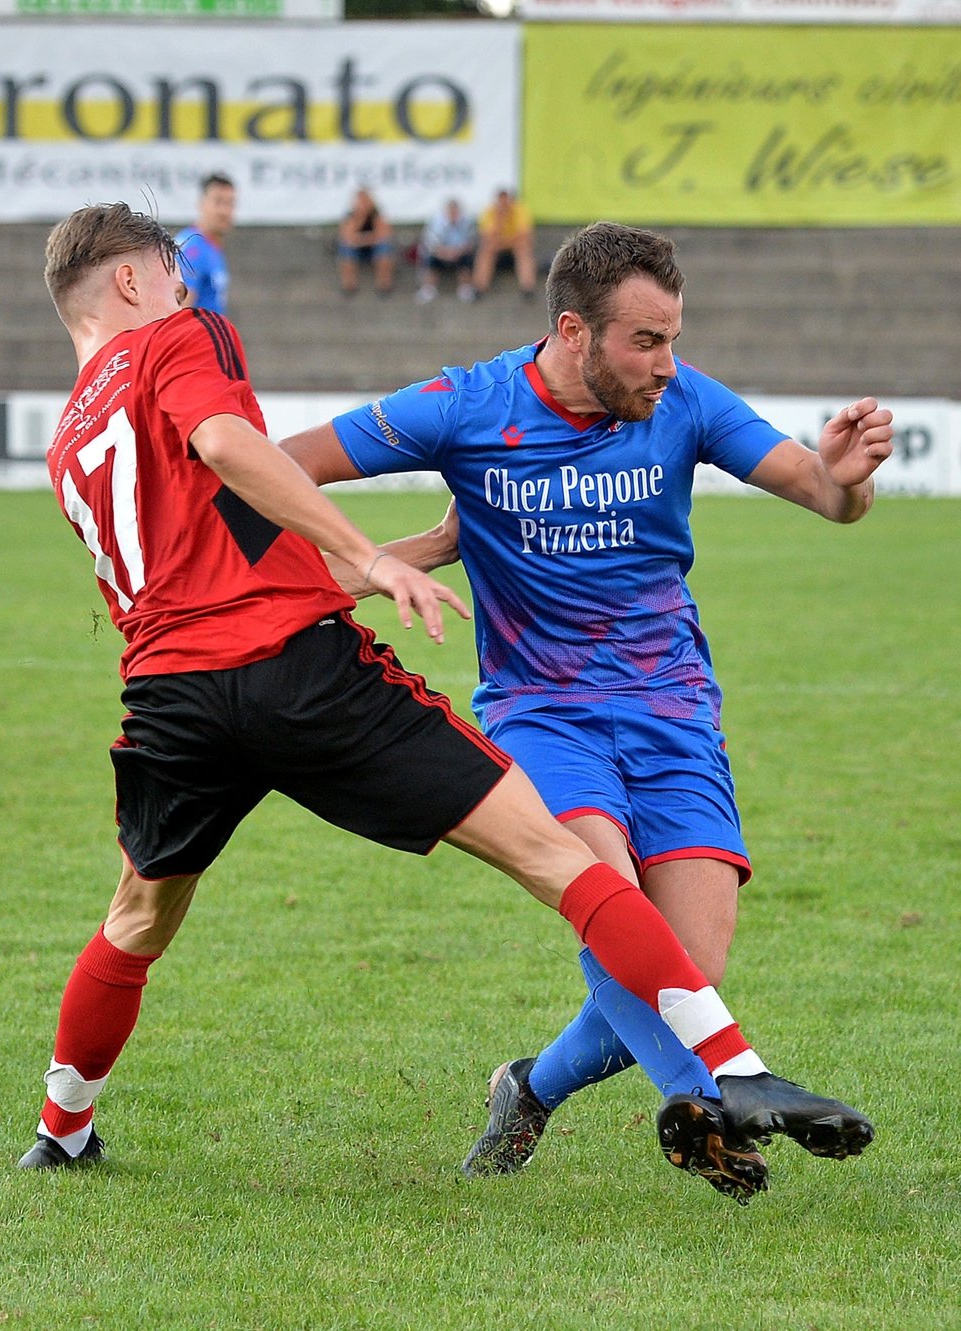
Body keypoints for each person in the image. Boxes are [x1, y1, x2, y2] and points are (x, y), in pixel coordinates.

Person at [16, 203, 874, 1192]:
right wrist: (367, 553)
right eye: (171, 271)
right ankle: (731, 1072)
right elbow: (234, 446)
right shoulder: (183, 334)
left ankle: (62, 1126)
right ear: (133, 281)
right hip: (328, 677)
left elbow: (207, 552)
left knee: (137, 915)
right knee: (562, 860)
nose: (185, 288)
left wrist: (408, 552)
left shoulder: (74, 434)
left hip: (173, 694)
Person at [280, 221, 895, 1203]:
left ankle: (529, 1087)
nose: (666, 362)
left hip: (673, 709)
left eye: (672, 338)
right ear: (573, 331)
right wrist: (368, 560)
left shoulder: (685, 400)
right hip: (540, 711)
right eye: (644, 341)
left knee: (683, 965)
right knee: (618, 923)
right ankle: (712, 1093)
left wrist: (848, 480)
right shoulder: (464, 406)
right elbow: (282, 463)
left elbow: (821, 494)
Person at [175, 174, 235, 315]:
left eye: (230, 204)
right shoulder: (193, 250)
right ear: (201, 203)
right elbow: (179, 312)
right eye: (218, 202)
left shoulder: (211, 246)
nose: (224, 211)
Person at [470, 188, 537, 301]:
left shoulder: (519, 210)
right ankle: (479, 287)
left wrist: (506, 241)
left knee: (524, 249)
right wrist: (500, 219)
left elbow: (525, 234)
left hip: (513, 244)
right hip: (497, 244)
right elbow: (487, 236)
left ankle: (528, 287)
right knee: (486, 250)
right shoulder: (490, 211)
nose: (504, 203)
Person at [416, 198, 478, 305]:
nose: (453, 214)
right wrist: (445, 253)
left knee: (466, 259)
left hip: (459, 253)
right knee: (430, 258)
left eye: (455, 212)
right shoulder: (436, 222)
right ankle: (428, 288)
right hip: (440, 253)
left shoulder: (467, 222)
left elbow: (471, 243)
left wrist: (457, 252)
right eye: (451, 212)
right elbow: (430, 244)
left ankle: (465, 288)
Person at [336, 187, 394, 298]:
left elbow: (384, 235)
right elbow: (347, 237)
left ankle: (384, 284)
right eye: (360, 202)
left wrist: (360, 239)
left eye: (365, 201)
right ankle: (349, 284)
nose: (363, 204)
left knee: (384, 249)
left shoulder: (377, 215)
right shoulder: (350, 216)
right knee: (346, 250)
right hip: (358, 248)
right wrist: (360, 218)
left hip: (373, 248)